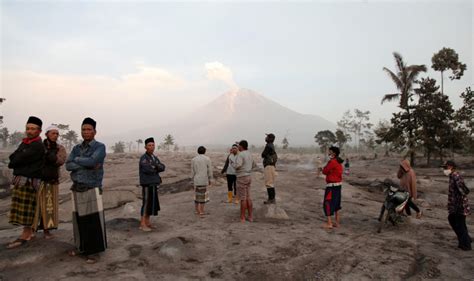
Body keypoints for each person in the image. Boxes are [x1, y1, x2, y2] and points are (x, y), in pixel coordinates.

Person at [65, 117, 107, 263]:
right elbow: (68, 165)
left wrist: (77, 160)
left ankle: (93, 252)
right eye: (83, 129)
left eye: (89, 129)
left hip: (91, 187)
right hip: (77, 187)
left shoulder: (100, 147)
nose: (86, 132)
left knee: (92, 220)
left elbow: (93, 161)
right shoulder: (76, 148)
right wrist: (83, 162)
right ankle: (81, 247)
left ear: (95, 131)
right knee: (79, 220)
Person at [6, 116, 45, 249]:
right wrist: (18, 160)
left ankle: (26, 233)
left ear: (39, 131)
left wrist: (18, 161)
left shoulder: (37, 145)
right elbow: (12, 159)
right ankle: (29, 232)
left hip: (29, 182)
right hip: (22, 180)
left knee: (27, 209)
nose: (29, 131)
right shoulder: (25, 143)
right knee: (23, 208)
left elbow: (16, 160)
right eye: (28, 128)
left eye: (33, 129)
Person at [32, 125, 67, 239]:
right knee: (36, 206)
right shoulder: (39, 147)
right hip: (38, 180)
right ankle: (32, 230)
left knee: (49, 207)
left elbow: (60, 161)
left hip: (52, 181)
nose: (55, 135)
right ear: (46, 134)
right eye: (53, 133)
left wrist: (48, 155)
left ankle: (47, 231)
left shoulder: (60, 148)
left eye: (57, 133)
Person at [442, 160, 471, 251]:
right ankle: (466, 240)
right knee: (456, 222)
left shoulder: (456, 176)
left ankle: (466, 245)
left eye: (445, 167)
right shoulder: (452, 176)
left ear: (450, 167)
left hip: (459, 206)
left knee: (459, 224)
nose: (444, 169)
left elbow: (463, 192)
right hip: (456, 206)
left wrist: (459, 206)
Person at [138, 137, 165, 232]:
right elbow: (147, 169)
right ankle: (142, 224)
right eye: (149, 145)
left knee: (151, 204)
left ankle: (148, 222)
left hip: (154, 183)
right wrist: (156, 167)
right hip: (147, 184)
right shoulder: (144, 158)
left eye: (153, 145)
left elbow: (163, 167)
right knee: (146, 204)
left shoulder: (154, 157)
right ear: (145, 147)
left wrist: (155, 166)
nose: (151, 147)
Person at [231, 140, 254, 223]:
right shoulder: (249, 154)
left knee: (243, 198)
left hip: (241, 177)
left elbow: (238, 165)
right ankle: (251, 217)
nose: (238, 147)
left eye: (239, 146)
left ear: (241, 146)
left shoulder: (240, 154)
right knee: (248, 197)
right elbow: (254, 165)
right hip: (248, 176)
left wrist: (233, 164)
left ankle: (243, 217)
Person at [321, 146, 344, 229]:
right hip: (338, 186)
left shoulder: (332, 162)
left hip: (332, 186)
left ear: (334, 153)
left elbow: (325, 171)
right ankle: (337, 223)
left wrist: (325, 169)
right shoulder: (338, 162)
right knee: (336, 204)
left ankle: (329, 223)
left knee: (327, 203)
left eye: (330, 151)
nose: (328, 153)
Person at [191, 146, 213, 217]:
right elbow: (210, 170)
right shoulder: (207, 159)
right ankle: (201, 211)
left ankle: (197, 210)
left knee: (197, 195)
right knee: (203, 196)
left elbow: (192, 171)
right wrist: (210, 179)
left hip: (196, 180)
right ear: (204, 151)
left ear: (198, 151)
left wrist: (191, 180)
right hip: (204, 180)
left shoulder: (193, 159)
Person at [261, 133, 278, 204]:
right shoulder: (271, 145)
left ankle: (271, 199)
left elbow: (263, 154)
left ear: (270, 139)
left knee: (269, 183)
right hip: (271, 166)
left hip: (269, 166)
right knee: (270, 183)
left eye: (267, 137)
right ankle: (272, 199)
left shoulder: (268, 145)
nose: (266, 138)